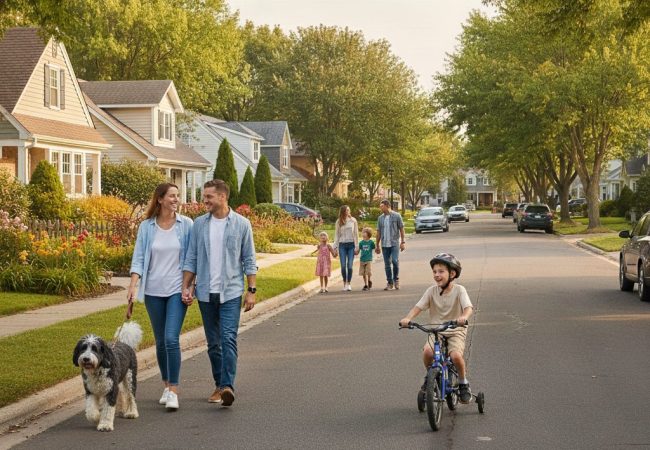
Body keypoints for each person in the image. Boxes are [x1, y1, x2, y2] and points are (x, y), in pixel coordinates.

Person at [181, 179, 257, 407]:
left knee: (228, 339)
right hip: (205, 292)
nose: (205, 200)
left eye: (209, 197)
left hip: (231, 292)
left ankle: (227, 386)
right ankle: (219, 384)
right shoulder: (199, 224)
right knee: (214, 343)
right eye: (204, 196)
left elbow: (249, 260)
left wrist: (251, 290)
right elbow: (191, 257)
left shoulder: (242, 224)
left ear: (223, 197)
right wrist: (186, 286)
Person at [127, 183, 193, 410]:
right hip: (153, 290)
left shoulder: (187, 225)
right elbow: (139, 258)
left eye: (178, 196)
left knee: (171, 338)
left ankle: (174, 390)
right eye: (172, 196)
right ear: (160, 200)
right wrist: (133, 286)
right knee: (161, 341)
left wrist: (190, 286)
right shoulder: (147, 227)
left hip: (177, 289)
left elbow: (191, 260)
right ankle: (166, 385)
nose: (176, 199)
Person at [399, 253, 474, 403]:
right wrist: (408, 319)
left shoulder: (459, 290)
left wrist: (463, 318)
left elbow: (468, 308)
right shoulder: (431, 291)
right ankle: (431, 376)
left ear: (452, 274)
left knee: (455, 356)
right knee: (427, 352)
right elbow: (418, 307)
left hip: (455, 330)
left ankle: (463, 382)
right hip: (436, 330)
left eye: (441, 271)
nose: (437, 275)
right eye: (434, 272)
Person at [375, 199, 405, 290]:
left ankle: (396, 280)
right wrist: (377, 245)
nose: (380, 208)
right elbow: (378, 232)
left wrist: (403, 242)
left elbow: (401, 229)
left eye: (382, 206)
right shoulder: (380, 218)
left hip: (394, 243)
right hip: (384, 244)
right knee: (387, 264)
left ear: (387, 206)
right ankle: (389, 282)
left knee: (395, 261)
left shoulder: (397, 216)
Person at [333, 205, 359, 291]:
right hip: (342, 245)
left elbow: (356, 234)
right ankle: (344, 282)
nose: (348, 211)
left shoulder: (353, 220)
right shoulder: (338, 221)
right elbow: (337, 235)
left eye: (349, 210)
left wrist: (356, 246)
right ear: (343, 211)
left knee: (350, 266)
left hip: (351, 245)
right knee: (343, 266)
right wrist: (335, 247)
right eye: (346, 210)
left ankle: (349, 283)